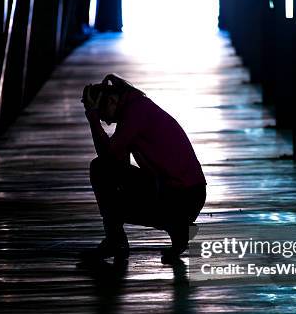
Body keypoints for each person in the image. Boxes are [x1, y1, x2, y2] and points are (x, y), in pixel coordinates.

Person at [82, 74, 206, 263]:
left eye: (103, 115)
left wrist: (92, 120)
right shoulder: (135, 109)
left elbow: (107, 159)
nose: (106, 122)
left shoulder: (135, 113)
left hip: (184, 195)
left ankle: (176, 226)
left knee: (99, 169)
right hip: (183, 192)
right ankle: (175, 226)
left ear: (113, 100)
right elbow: (115, 163)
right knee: (105, 174)